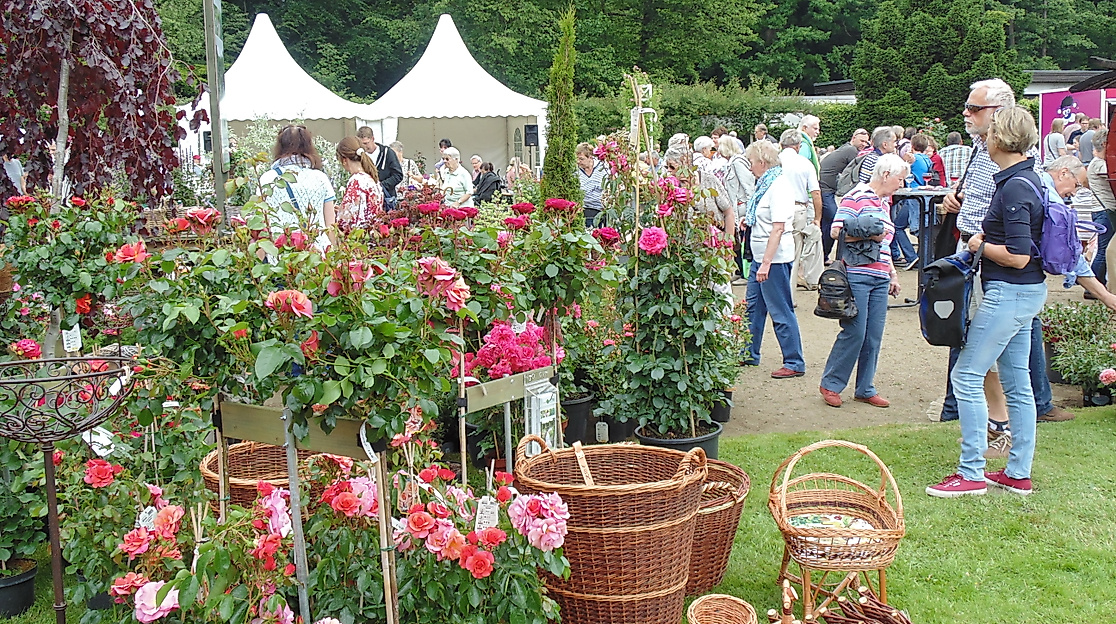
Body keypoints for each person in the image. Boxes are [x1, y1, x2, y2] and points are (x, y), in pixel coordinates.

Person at [938, 79, 1073, 442]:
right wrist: (955, 199)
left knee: (974, 346)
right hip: (981, 254)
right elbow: (981, 197)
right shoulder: (981, 150)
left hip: (992, 262)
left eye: (974, 108)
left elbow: (1019, 251)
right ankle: (1013, 446)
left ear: (1000, 116)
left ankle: (984, 434)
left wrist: (979, 244)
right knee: (992, 341)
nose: (966, 114)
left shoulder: (1016, 172)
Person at [927, 106, 1047, 498]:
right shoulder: (1027, 179)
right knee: (1018, 386)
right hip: (1025, 293)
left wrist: (979, 243)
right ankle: (1017, 473)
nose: (986, 137)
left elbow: (1017, 255)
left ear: (1001, 139)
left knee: (965, 376)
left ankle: (971, 472)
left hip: (1008, 293)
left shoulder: (1013, 187)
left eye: (991, 130)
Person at [819, 153, 907, 408]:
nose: (902, 185)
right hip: (857, 273)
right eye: (900, 179)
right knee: (855, 331)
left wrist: (892, 273)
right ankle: (831, 383)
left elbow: (887, 243)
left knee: (873, 335)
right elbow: (837, 231)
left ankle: (865, 387)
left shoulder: (884, 204)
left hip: (879, 275)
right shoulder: (856, 197)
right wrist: (868, 233)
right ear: (886, 174)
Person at [740, 139, 806, 379]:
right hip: (762, 256)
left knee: (780, 310)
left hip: (774, 259)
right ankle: (748, 351)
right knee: (753, 307)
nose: (749, 167)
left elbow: (778, 228)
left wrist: (766, 263)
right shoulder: (767, 184)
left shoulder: (778, 186)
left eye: (751, 162)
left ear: (762, 162)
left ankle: (794, 361)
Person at [1044, 154, 1116, 308]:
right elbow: (1071, 252)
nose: (1075, 193)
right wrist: (1105, 296)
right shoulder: (1054, 202)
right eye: (1077, 185)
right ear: (1063, 173)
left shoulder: (1039, 187)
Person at [259, 125, 336, 251]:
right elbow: (330, 226)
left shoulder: (267, 179)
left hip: (280, 252)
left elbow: (261, 226)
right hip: (316, 253)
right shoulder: (320, 178)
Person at [778, 129, 823, 289]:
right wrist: (817, 218)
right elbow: (816, 193)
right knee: (795, 254)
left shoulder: (775, 161)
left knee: (775, 251)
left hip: (776, 208)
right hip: (798, 209)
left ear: (782, 144)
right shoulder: (805, 163)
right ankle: (789, 296)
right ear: (798, 146)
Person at [819, 128, 870, 261]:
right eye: (861, 141)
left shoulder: (846, 148)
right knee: (836, 221)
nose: (863, 144)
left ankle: (823, 255)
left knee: (827, 223)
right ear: (853, 138)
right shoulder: (851, 151)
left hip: (825, 189)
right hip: (825, 189)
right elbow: (857, 173)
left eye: (866, 142)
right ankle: (833, 256)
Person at [719, 134, 756, 283]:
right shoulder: (732, 163)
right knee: (737, 240)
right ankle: (740, 270)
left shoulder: (737, 163)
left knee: (742, 241)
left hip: (741, 208)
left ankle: (744, 273)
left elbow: (748, 187)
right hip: (737, 207)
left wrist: (749, 212)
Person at [334, 136, 383, 232]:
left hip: (359, 241)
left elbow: (346, 223)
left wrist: (337, 215)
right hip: (372, 238)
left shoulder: (356, 181)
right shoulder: (370, 179)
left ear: (344, 160)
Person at [1087, 128, 1114, 286]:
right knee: (1104, 249)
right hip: (1104, 211)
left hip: (1102, 210)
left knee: (1104, 248)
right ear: (1105, 144)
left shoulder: (1097, 163)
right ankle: (1095, 286)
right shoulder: (1098, 164)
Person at [356, 127, 403, 210]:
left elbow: (398, 175)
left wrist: (381, 186)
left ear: (373, 139)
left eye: (366, 143)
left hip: (386, 201)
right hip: (366, 202)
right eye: (361, 144)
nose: (364, 147)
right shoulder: (358, 156)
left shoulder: (387, 152)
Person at [576, 142, 608, 226]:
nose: (578, 161)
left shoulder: (603, 167)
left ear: (590, 157)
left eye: (581, 159)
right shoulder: (576, 172)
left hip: (603, 209)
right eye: (577, 158)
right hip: (585, 209)